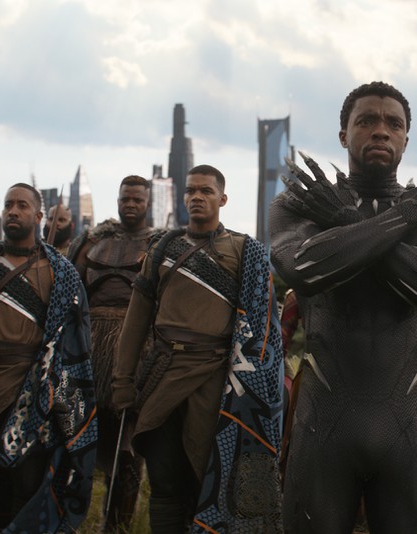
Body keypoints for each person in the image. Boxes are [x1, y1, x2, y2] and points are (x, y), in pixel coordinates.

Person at [268, 81, 417, 532]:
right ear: (344, 134)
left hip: (408, 425)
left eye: (393, 124)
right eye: (366, 121)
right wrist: (404, 219)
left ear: (406, 139)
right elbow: (304, 270)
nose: (381, 131)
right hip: (324, 424)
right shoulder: (301, 202)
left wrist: (349, 223)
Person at [112, 165, 284, 532]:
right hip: (162, 375)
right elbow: (136, 319)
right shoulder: (161, 248)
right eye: (191, 190)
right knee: (164, 479)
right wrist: (122, 380)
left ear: (223, 199)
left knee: (203, 478)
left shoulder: (244, 250)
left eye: (206, 191)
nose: (197, 197)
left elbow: (262, 325)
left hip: (215, 381)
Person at [0, 183, 96, 533]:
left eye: (22, 205)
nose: (13, 211)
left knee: (26, 486)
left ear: (38, 215)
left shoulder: (61, 274)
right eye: (8, 205)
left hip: (35, 392)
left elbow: (75, 341)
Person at [67, 175, 156, 532]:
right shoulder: (91, 243)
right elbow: (70, 293)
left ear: (148, 203)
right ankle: (72, 516)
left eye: (137, 199)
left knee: (128, 448)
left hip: (134, 354)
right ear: (117, 200)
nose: (130, 205)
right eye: (124, 199)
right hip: (89, 352)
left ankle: (117, 524)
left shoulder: (160, 245)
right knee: (81, 437)